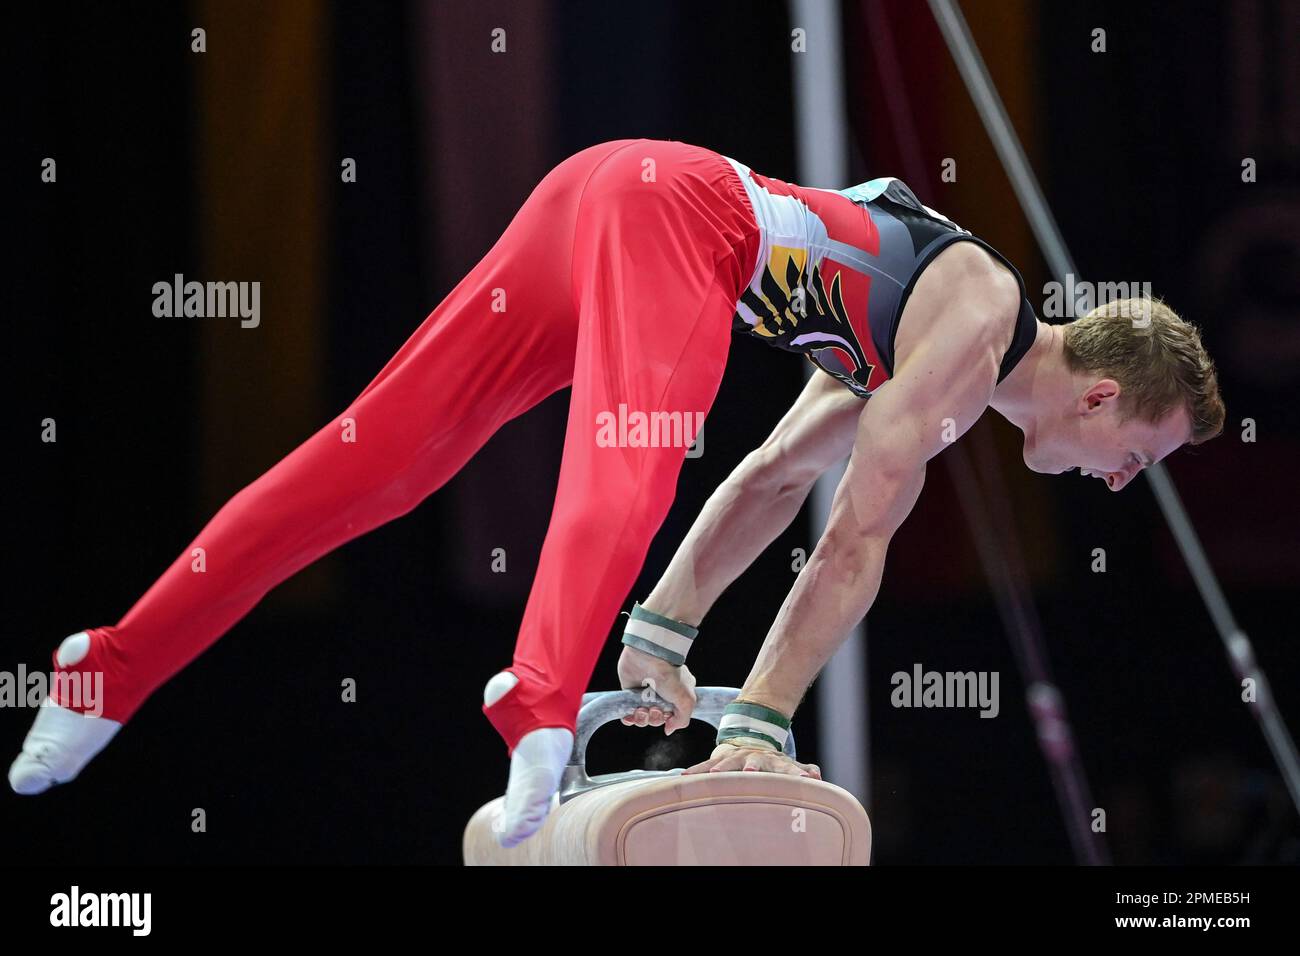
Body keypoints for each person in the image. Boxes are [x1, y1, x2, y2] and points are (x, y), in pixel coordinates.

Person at [9, 139, 1224, 848]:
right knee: (632, 455)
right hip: (673, 220)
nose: (1121, 480)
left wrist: (663, 631)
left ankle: (108, 667)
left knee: (373, 464)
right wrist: (758, 722)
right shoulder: (974, 327)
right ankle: (538, 699)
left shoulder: (924, 343)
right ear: (1103, 396)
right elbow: (853, 539)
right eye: (1140, 454)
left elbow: (774, 478)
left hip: (593, 198)